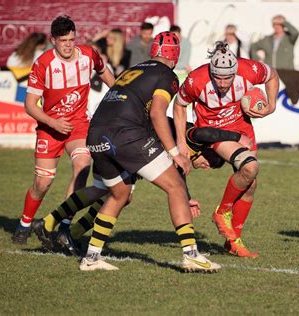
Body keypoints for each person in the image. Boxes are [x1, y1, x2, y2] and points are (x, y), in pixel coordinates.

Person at [79, 31, 220, 272]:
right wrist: (175, 152)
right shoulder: (167, 74)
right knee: (174, 185)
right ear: (174, 56)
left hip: (95, 134)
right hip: (125, 134)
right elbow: (157, 113)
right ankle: (192, 254)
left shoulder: (134, 69)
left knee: (119, 195)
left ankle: (91, 257)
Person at [32, 118, 251, 256]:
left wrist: (188, 197)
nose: (205, 167)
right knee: (110, 193)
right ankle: (54, 224)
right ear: (206, 153)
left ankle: (68, 230)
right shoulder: (192, 138)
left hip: (130, 146)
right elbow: (206, 133)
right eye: (208, 163)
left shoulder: (185, 155)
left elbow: (178, 175)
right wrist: (237, 137)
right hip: (129, 143)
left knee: (115, 194)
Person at [11, 15, 115, 244]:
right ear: (53, 40)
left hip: (78, 124)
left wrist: (119, 95)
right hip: (50, 128)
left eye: (71, 39)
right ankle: (25, 223)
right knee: (42, 183)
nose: (68, 44)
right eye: (63, 40)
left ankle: (65, 225)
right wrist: (53, 122)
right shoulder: (44, 63)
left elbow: (105, 72)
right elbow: (30, 105)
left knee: (82, 166)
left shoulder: (88, 54)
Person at [174, 41, 279, 258]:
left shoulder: (248, 70)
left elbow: (273, 75)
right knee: (250, 167)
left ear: (235, 71)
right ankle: (222, 212)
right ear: (211, 71)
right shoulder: (197, 79)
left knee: (251, 183)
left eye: (227, 77)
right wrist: (181, 143)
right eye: (218, 77)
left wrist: (271, 104)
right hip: (213, 132)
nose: (222, 83)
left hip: (242, 127)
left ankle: (233, 242)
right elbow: (179, 105)